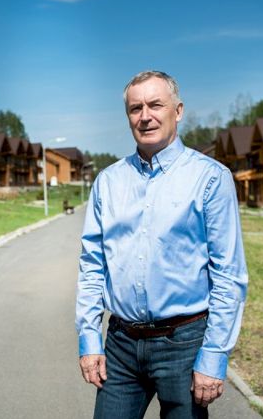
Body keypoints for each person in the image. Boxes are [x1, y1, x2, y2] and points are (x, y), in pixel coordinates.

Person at [76, 71, 248, 419]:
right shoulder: (108, 182)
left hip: (184, 344)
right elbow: (92, 265)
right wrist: (89, 339)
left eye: (155, 105)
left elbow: (228, 275)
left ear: (178, 111)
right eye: (135, 108)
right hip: (121, 344)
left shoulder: (210, 178)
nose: (145, 116)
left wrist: (214, 356)